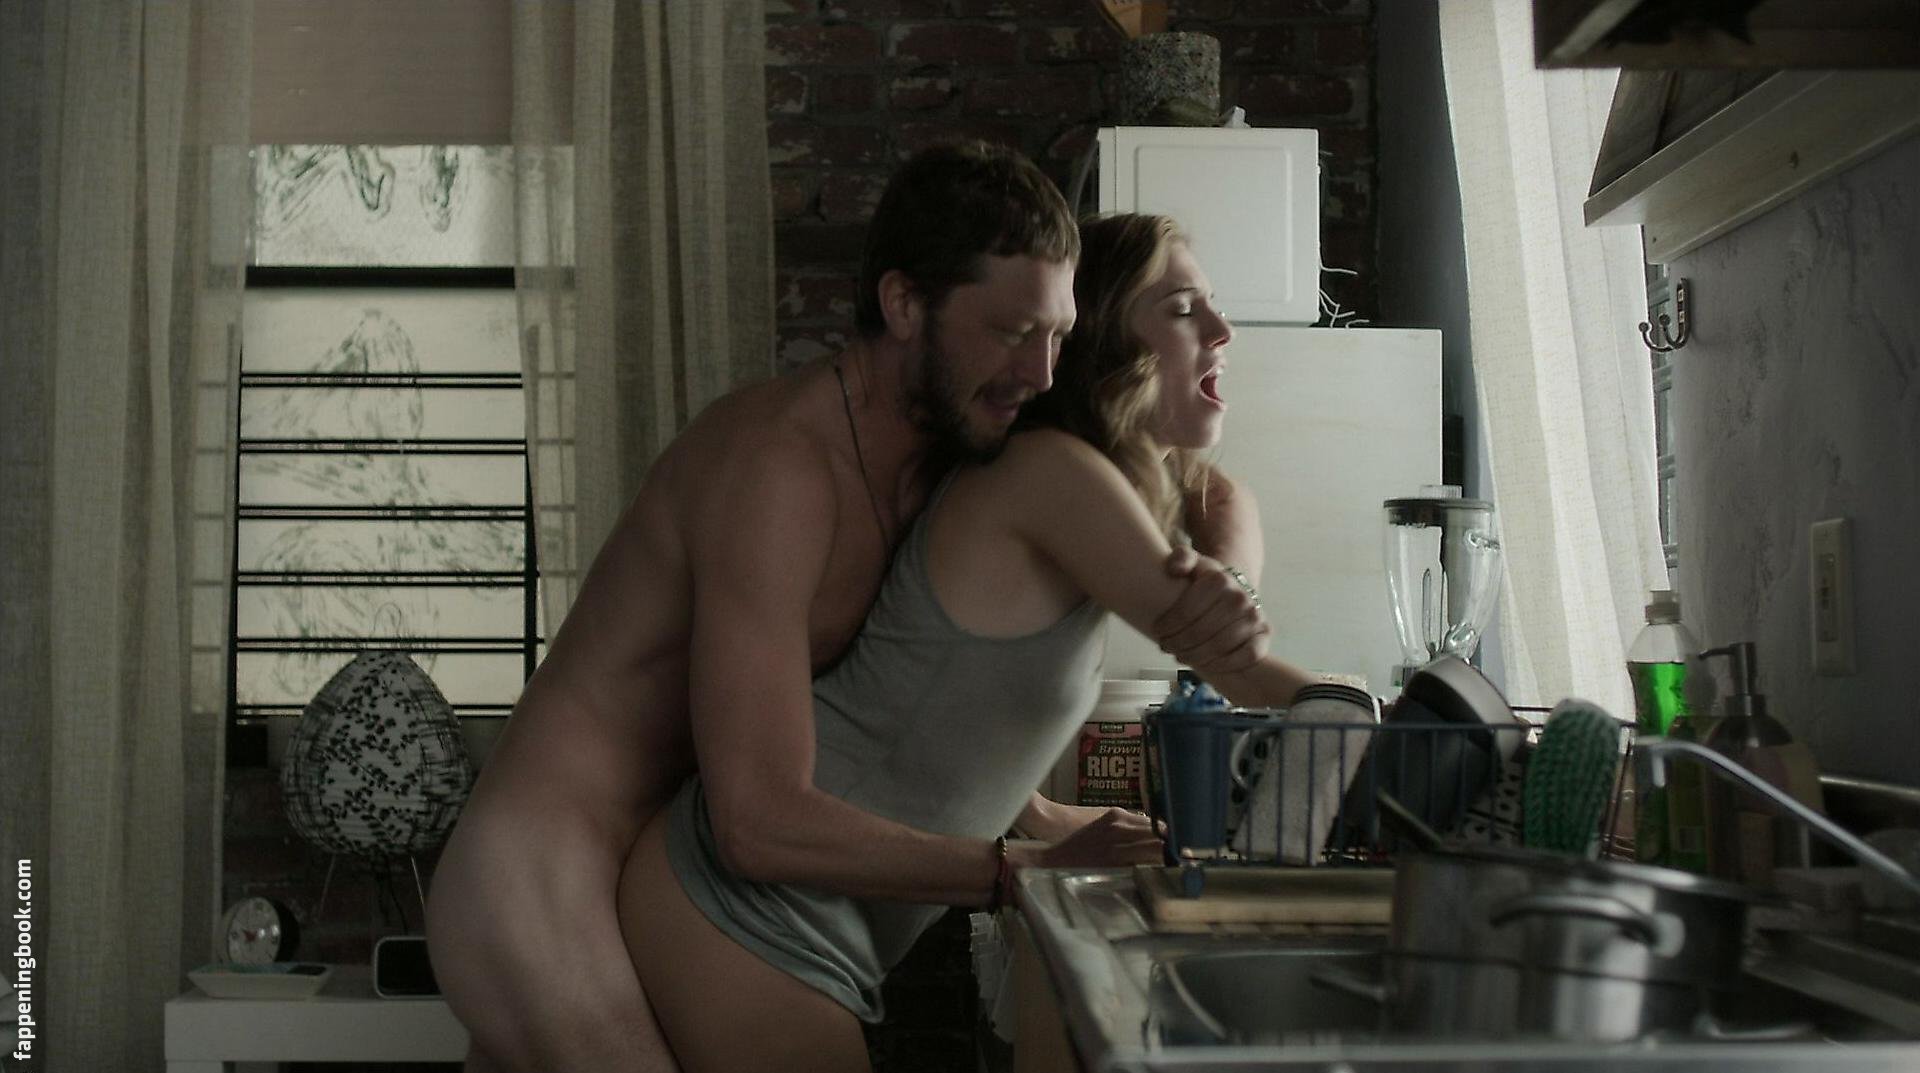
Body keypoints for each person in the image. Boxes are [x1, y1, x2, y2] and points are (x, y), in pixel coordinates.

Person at [424, 145, 1269, 1073]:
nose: (1038, 372)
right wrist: (1014, 869)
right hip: (546, 860)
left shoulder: (946, 443)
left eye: (1058, 336)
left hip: (662, 852)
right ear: (903, 304)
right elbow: (758, 817)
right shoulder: (778, 471)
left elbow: (912, 701)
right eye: (1010, 330)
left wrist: (1039, 813)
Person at [615, 212, 1322, 1073]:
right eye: (1181, 308)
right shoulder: (1054, 476)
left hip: (775, 912)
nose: (1221, 329)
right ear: (1104, 336)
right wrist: (1377, 720)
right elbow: (1232, 661)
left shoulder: (1075, 485)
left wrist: (1048, 819)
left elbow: (941, 699)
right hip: (740, 909)